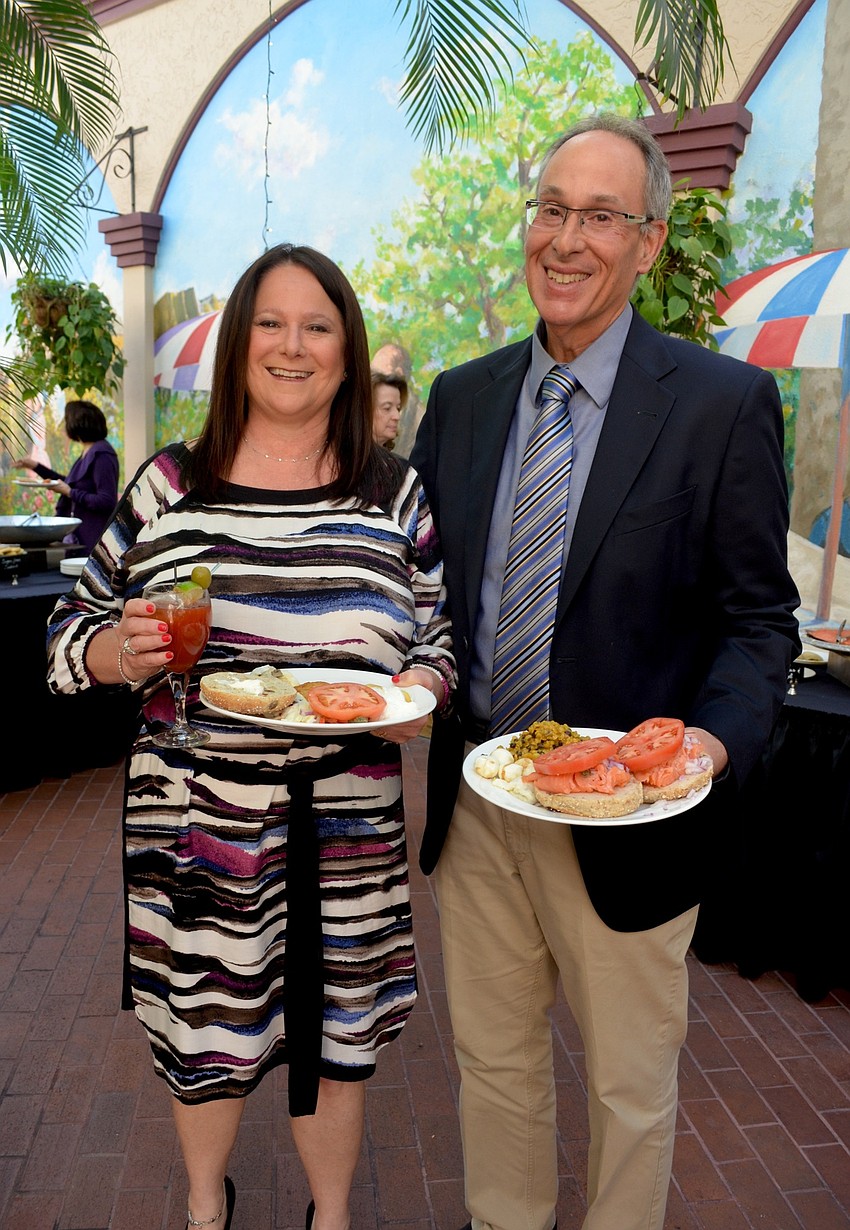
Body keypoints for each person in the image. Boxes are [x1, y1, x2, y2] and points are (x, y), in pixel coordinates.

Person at [410, 113, 801, 1230]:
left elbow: (756, 621)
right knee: (493, 1068)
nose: (566, 239)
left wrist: (703, 750)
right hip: (481, 808)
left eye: (600, 216)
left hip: (630, 818)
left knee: (628, 1091)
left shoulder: (721, 406)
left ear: (649, 243)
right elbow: (428, 590)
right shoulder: (463, 397)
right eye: (550, 209)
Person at [45, 243, 456, 1230]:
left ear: (348, 357)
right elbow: (68, 631)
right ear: (237, 349)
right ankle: (202, 1204)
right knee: (205, 1032)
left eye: (318, 327)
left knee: (338, 1035)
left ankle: (330, 1216)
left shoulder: (392, 493)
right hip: (196, 824)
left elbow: (438, 636)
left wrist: (421, 685)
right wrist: (116, 652)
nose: (292, 345)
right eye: (269, 324)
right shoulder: (164, 486)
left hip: (347, 828)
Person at [13, 398, 119, 552]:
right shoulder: (89, 451)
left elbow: (106, 501)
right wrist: (35, 466)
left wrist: (70, 492)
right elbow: (70, 483)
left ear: (78, 424)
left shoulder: (102, 454)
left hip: (93, 541)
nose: (64, 426)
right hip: (81, 539)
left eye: (66, 421)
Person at [371, 369, 408, 450]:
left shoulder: (397, 462)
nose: (397, 416)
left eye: (398, 408)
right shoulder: (340, 460)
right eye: (387, 408)